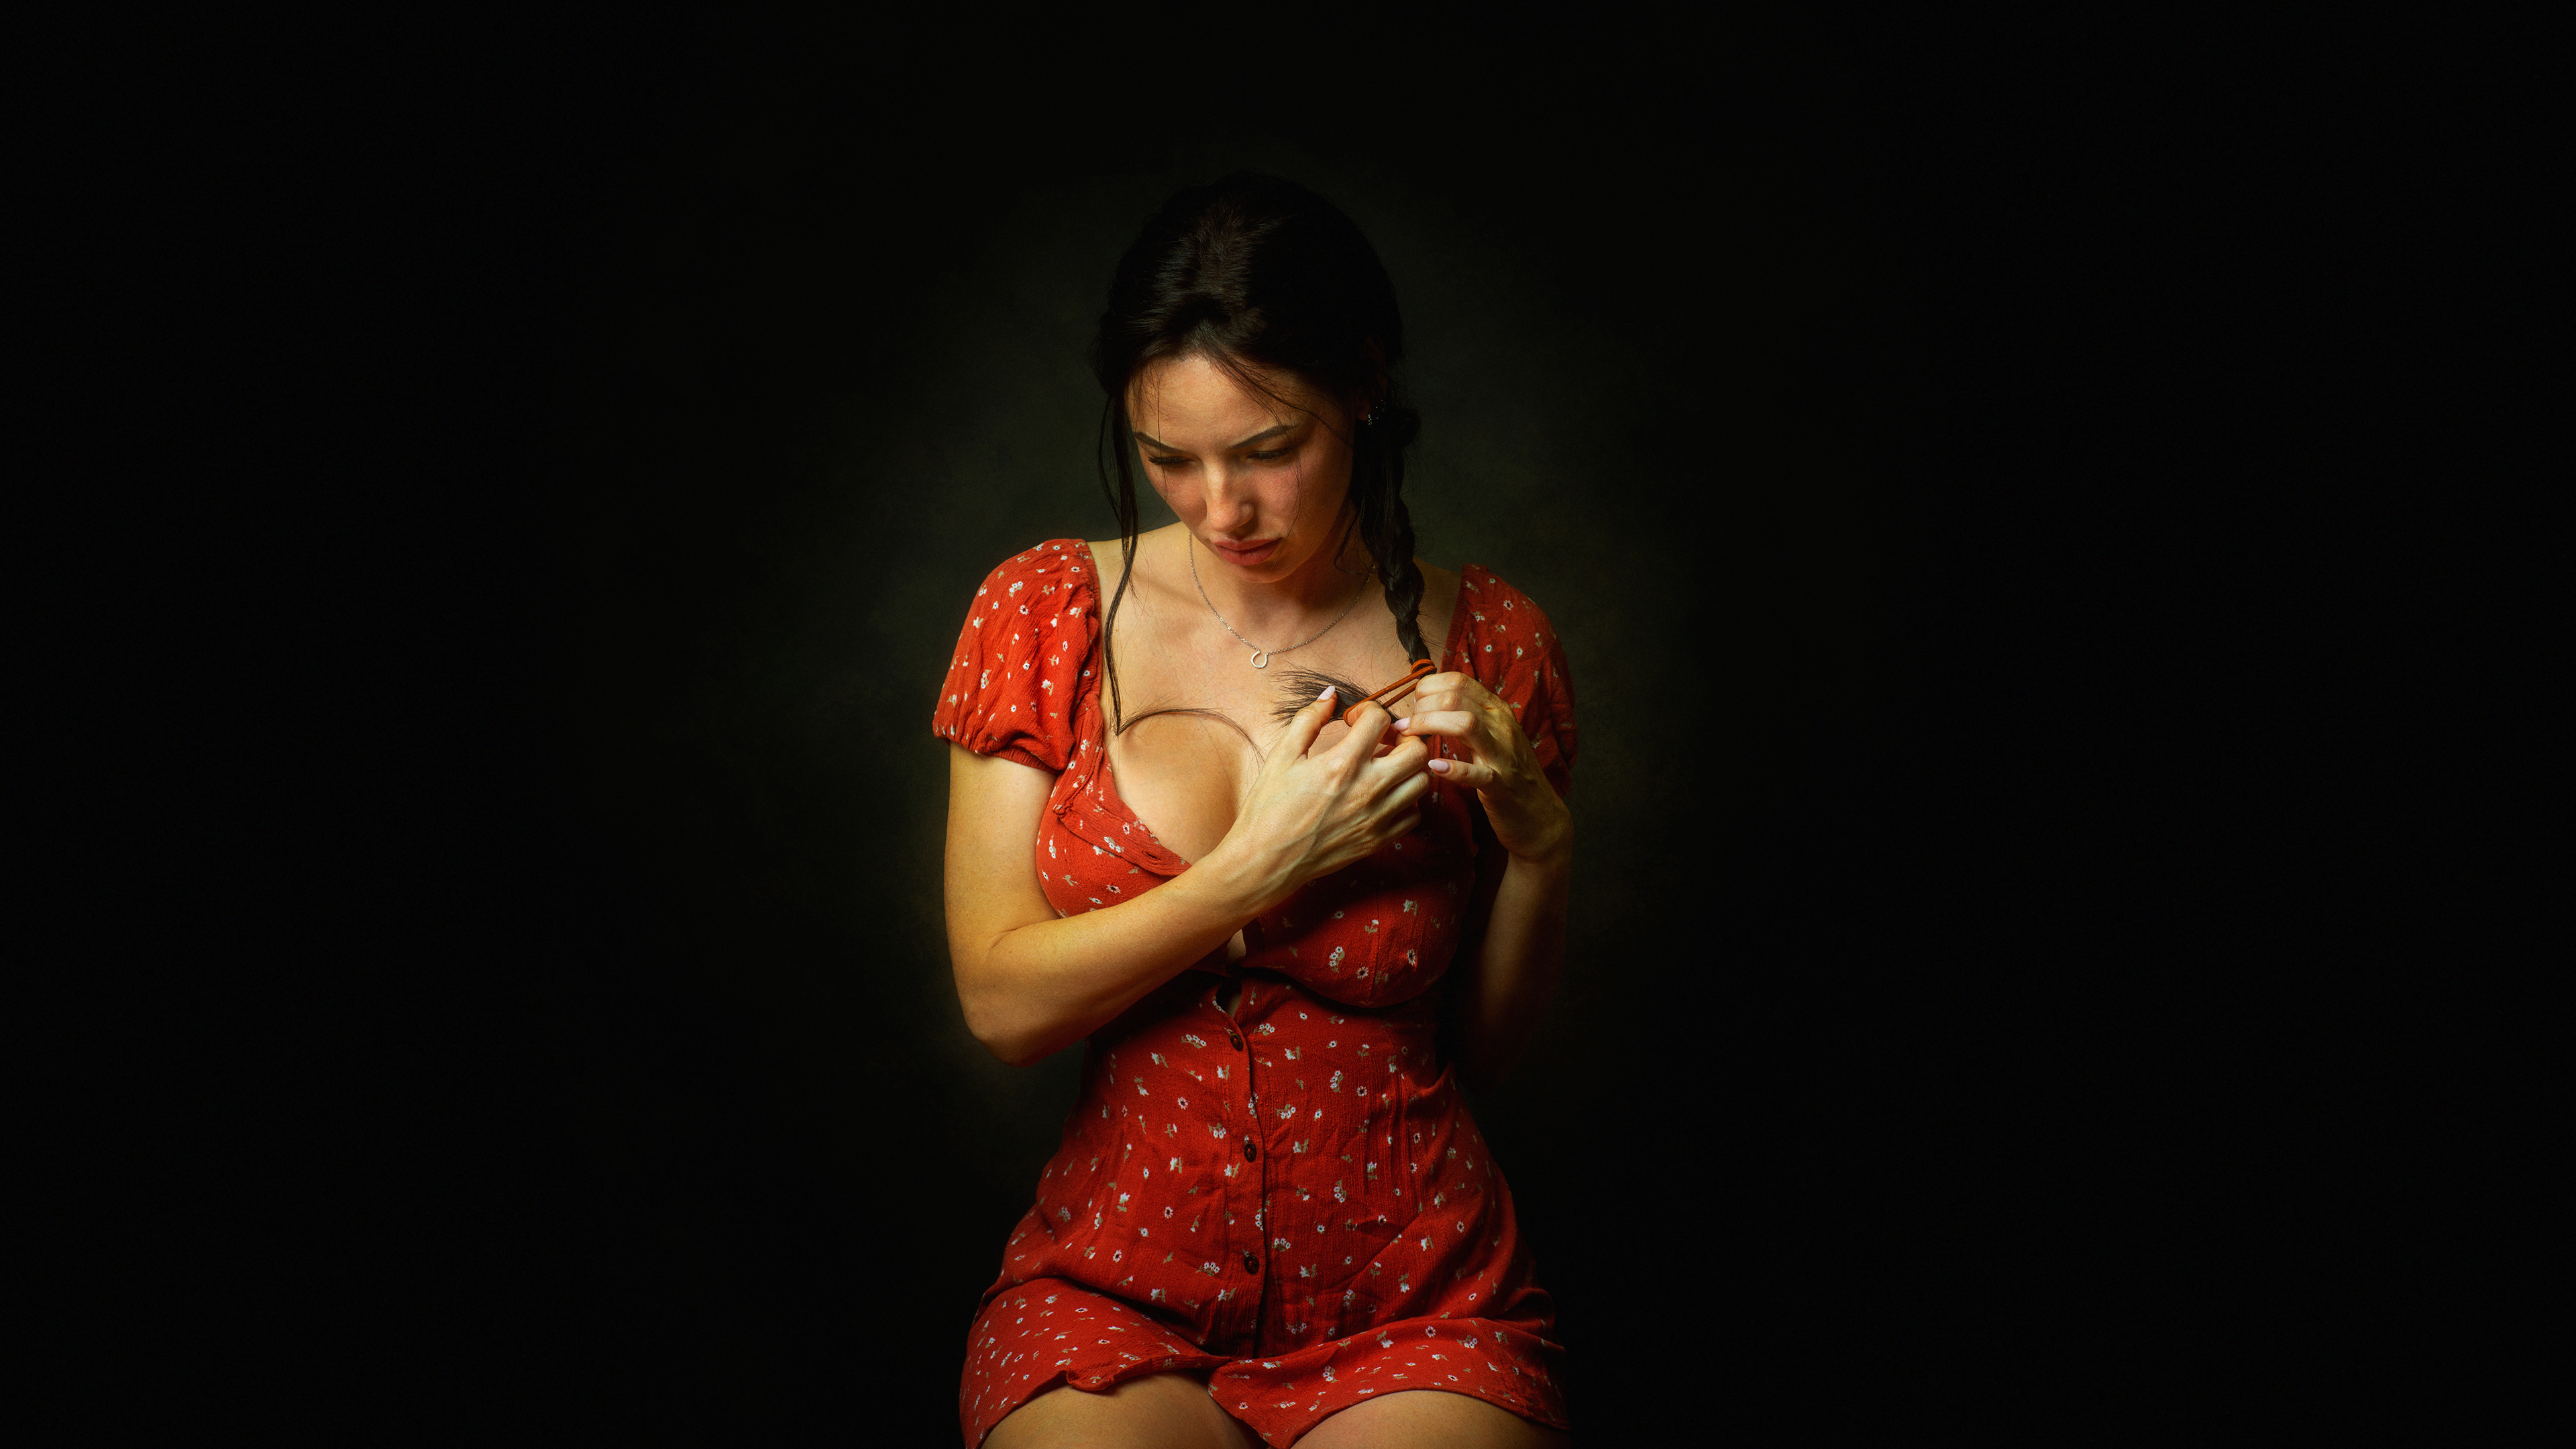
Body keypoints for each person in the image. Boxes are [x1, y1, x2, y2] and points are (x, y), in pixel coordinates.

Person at [938, 174, 1577, 1449]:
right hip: (1109, 1290)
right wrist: (1256, 868)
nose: (1219, 509)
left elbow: (1487, 1052)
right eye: (1167, 460)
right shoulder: (1043, 613)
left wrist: (1543, 847)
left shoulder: (1495, 638)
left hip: (1417, 1299)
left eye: (1269, 452)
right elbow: (1003, 1006)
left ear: (1365, 388)